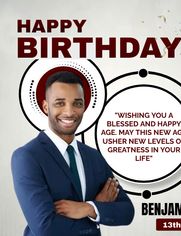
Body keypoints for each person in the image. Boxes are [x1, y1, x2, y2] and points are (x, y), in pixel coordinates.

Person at [11, 71, 134, 236]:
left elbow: (127, 211)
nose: (69, 112)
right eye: (60, 103)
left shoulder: (93, 157)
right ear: (46, 106)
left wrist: (89, 208)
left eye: (77, 103)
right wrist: (96, 211)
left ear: (84, 106)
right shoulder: (27, 157)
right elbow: (45, 228)